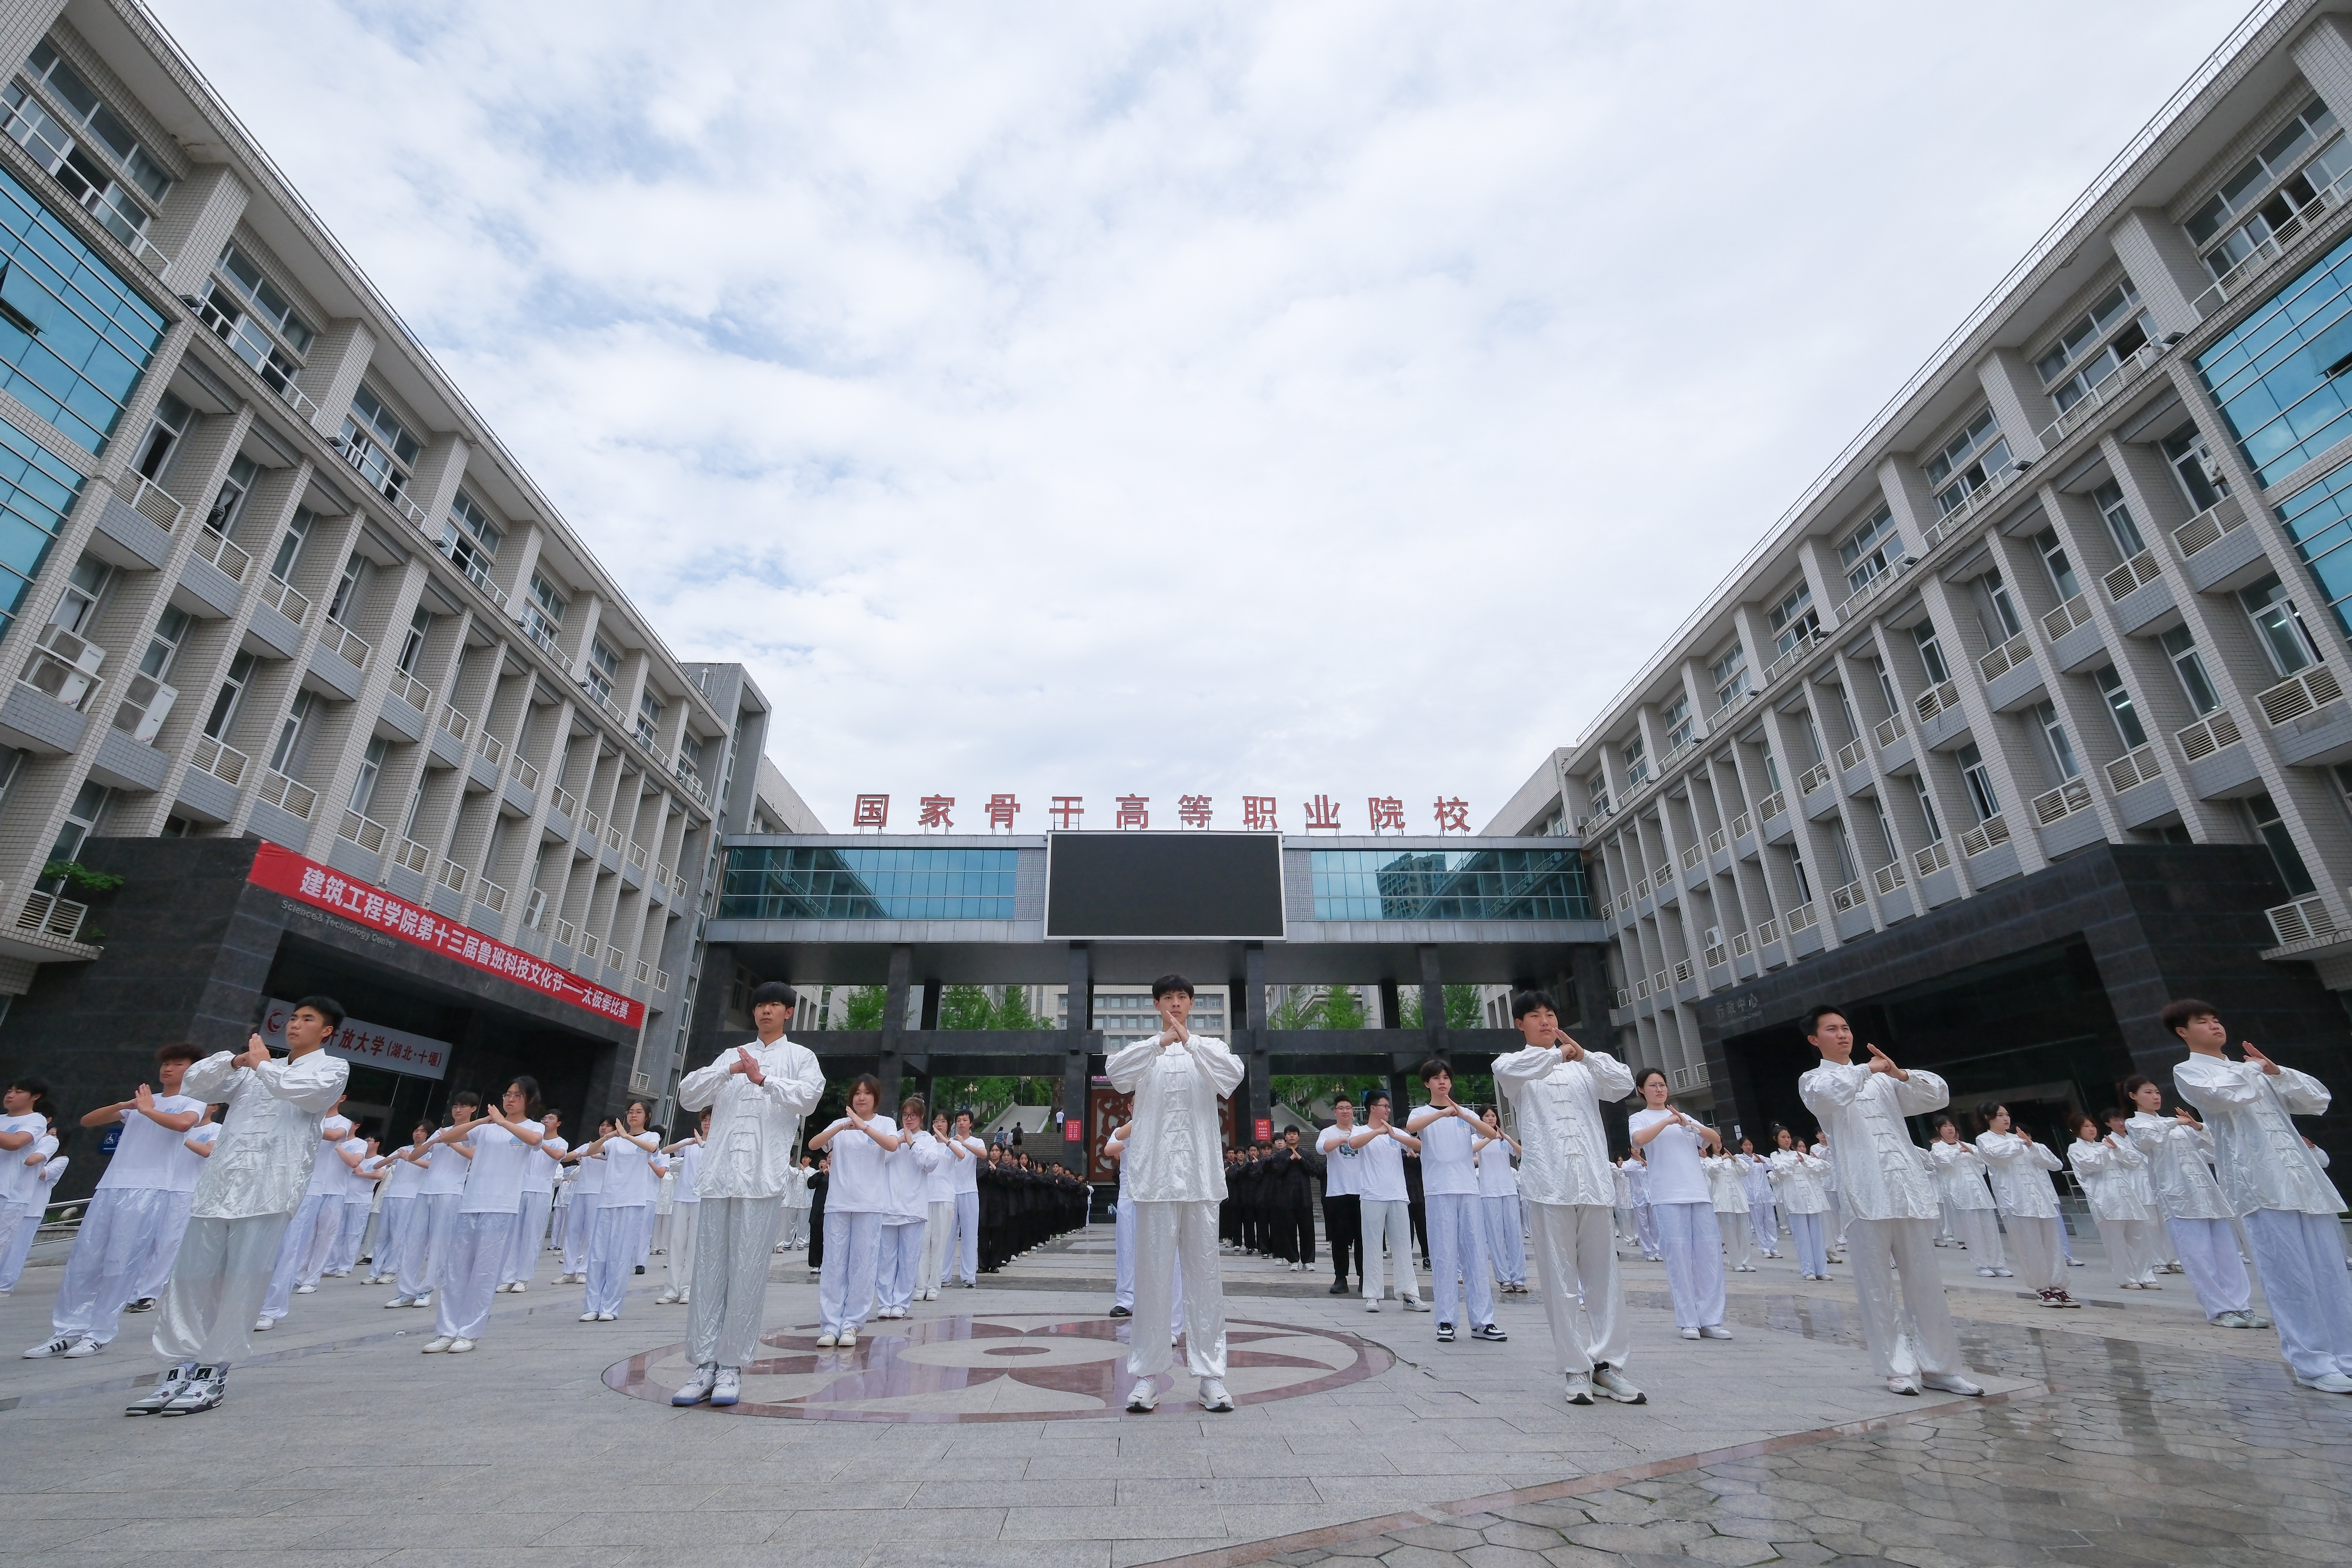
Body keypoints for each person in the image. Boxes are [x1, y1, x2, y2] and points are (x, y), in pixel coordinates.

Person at [134, 998, 350, 1414]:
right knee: (191, 1277)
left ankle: (213, 1370)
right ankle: (179, 1367)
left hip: (270, 1189)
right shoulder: (253, 1068)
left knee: (242, 1280)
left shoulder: (331, 1068)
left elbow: (301, 1094)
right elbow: (197, 1084)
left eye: (308, 1020)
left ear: (326, 1032)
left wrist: (262, 1065)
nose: (295, 1025)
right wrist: (237, 1061)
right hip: (220, 1186)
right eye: (293, 1018)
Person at [2166, 999, 2352, 1392]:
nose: (2215, 1026)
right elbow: (2224, 1097)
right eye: (2203, 1022)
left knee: (2332, 1271)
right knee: (2290, 1275)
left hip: (2303, 1180)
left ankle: (2346, 1356)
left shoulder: (2251, 1068)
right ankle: (2313, 1364)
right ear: (2183, 1032)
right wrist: (2253, 1071)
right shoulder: (2189, 1071)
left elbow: (2315, 1100)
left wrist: (2277, 1071)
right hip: (2260, 1184)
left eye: (2216, 1019)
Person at [1796, 1006, 1983, 1397]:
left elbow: (1935, 1095)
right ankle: (1896, 1366)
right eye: (1832, 1030)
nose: (1843, 1034)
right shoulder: (1814, 1080)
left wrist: (1898, 1073)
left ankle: (1940, 1367)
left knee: (1927, 1283)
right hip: (1865, 1193)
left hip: (1907, 1189)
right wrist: (1867, 1069)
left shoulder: (1884, 1080)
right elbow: (1833, 1095)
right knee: (1876, 1285)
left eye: (1846, 1028)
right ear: (1815, 1039)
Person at [1493, 990, 1643, 1405]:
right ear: (1520, 1024)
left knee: (1603, 1279)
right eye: (1535, 1016)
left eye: (1551, 1013)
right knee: (1560, 1281)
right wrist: (1559, 1056)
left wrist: (1585, 1055)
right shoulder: (1514, 1066)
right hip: (1549, 1183)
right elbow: (1515, 1069)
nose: (1545, 1021)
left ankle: (1608, 1367)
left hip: (1593, 1180)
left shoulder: (1583, 1067)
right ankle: (1575, 1369)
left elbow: (1622, 1084)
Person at [1107, 974, 1245, 1414]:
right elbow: (1116, 1074)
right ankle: (1148, 1376)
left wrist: (1190, 1041)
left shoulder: (1210, 1050)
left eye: (1182, 998)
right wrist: (1162, 1041)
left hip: (1201, 1180)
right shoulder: (1146, 1054)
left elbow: (1232, 1077)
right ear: (1157, 1005)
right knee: (1152, 1279)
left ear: (1192, 1003)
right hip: (1156, 1182)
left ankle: (1211, 1377)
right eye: (1168, 999)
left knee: (1205, 1278)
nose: (1176, 1004)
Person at [27, 1046, 207, 1359]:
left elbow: (183, 1125)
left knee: (122, 1261)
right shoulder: (141, 1103)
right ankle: (67, 1330)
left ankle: (99, 1332)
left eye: (178, 1064)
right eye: (166, 1063)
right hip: (110, 1186)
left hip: (149, 1190)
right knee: (85, 1259)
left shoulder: (192, 1100)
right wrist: (129, 1105)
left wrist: (148, 1110)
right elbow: (88, 1121)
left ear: (191, 1071)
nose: (168, 1069)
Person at [2124, 1074, 2261, 1328]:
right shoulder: (2136, 1124)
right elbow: (2148, 1141)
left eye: (2157, 1092)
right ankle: (2220, 1309)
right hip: (2179, 1199)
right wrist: (2175, 1124)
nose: (2155, 1097)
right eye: (2148, 1092)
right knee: (2199, 1256)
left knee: (2227, 1254)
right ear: (2134, 1097)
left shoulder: (2176, 1123)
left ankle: (2243, 1306)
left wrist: (2196, 1125)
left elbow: (2211, 1147)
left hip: (2208, 1195)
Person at [425, 1077, 547, 1353]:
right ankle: (446, 1331)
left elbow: (535, 1140)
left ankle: (469, 1332)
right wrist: (483, 1121)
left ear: (529, 1100)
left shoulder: (532, 1127)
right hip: (471, 1204)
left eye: (517, 1095)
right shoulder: (486, 1128)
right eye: (507, 1094)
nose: (510, 1099)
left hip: (501, 1207)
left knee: (485, 1272)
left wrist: (503, 1122)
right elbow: (448, 1136)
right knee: (456, 1271)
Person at [1407, 1059, 1507, 1346]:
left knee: (1476, 1253)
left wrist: (1462, 1114)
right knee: (1444, 1255)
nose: (1442, 1082)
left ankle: (1483, 1322)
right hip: (1439, 1190)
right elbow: (1412, 1127)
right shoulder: (1422, 1112)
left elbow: (1491, 1134)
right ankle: (1446, 1321)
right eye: (1436, 1078)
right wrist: (1443, 1114)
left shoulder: (1465, 1115)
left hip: (1468, 1189)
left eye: (1446, 1078)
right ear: (1427, 1083)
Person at [1628, 1068, 1728, 1341]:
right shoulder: (1639, 1118)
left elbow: (1715, 1139)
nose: (1659, 1089)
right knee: (1679, 1259)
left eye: (1663, 1084)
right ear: (1641, 1090)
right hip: (1667, 1195)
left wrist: (1688, 1123)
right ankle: (1688, 1321)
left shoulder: (1685, 1117)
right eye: (1653, 1085)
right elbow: (1639, 1140)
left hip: (1698, 1193)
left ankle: (1711, 1319)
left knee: (1709, 1256)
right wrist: (1668, 1121)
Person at [807, 1074, 904, 1348]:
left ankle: (852, 1325)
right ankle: (830, 1326)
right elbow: (815, 1145)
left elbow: (893, 1145)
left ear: (875, 1097)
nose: (861, 1097)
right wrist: (841, 1128)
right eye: (857, 1093)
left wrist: (864, 1128)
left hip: (869, 1204)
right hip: (838, 1203)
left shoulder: (884, 1123)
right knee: (834, 1264)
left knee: (863, 1264)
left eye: (867, 1093)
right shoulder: (841, 1124)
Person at [255, 1096, 360, 1329]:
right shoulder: (297, 1113)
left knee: (290, 1248)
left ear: (341, 1097)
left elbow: (334, 1137)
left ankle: (271, 1309)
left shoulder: (340, 1122)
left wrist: (302, 1122)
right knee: (267, 1246)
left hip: (310, 1189)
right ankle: (253, 1302)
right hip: (279, 1184)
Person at [1975, 1102, 2076, 1309]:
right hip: (2016, 1202)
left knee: (2052, 1245)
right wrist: (2021, 1144)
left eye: (2007, 1115)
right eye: (2000, 1115)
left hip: (2040, 1199)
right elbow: (1998, 1158)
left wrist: (2030, 1145)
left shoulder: (2021, 1140)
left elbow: (2055, 1164)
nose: (2006, 1119)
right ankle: (2042, 1288)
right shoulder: (1984, 1140)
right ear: (1988, 1118)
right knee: (2029, 1246)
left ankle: (2059, 1286)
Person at [1350, 1090, 1423, 1312]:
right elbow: (1353, 1144)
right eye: (1384, 1106)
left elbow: (1418, 1145)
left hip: (1398, 1195)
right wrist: (1379, 1131)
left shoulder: (1394, 1133)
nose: (1388, 1110)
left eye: (1389, 1107)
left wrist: (1394, 1134)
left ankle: (1409, 1294)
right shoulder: (1361, 1130)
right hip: (1372, 1195)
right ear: (1373, 1108)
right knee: (1372, 1246)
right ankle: (1373, 1295)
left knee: (1403, 1247)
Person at [2069, 1111, 2158, 1291]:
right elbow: (2091, 1165)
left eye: (2093, 1125)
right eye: (2086, 1126)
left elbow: (2134, 1162)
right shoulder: (2076, 1149)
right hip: (2105, 1199)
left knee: (2139, 1238)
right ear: (2077, 1130)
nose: (2091, 1129)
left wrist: (2116, 1148)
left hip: (2126, 1196)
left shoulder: (2108, 1144)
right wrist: (2105, 1149)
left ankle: (2146, 1276)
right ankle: (2126, 1277)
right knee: (2115, 1242)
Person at [876, 1096, 940, 1319]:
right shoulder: (891, 1138)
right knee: (885, 1259)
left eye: (913, 1115)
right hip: (888, 1207)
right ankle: (884, 1302)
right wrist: (898, 1142)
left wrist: (911, 1143)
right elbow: (878, 1160)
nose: (909, 1119)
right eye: (905, 1115)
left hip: (913, 1209)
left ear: (921, 1117)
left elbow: (930, 1163)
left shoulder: (928, 1140)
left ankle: (902, 1302)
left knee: (909, 1258)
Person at [1927, 1115, 2006, 1277]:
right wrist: (1958, 1152)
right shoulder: (1938, 1148)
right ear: (1939, 1130)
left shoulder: (1969, 1145)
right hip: (1962, 1194)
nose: (1950, 1129)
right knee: (1974, 1231)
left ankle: (1998, 1264)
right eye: (1945, 1126)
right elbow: (1943, 1164)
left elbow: (1983, 1167)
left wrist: (1972, 1153)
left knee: (1990, 1229)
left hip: (1981, 1193)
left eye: (1952, 1125)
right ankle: (1981, 1265)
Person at [505, 1108, 566, 1293]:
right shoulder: (528, 1138)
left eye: (551, 1118)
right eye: (544, 1118)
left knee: (532, 1236)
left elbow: (558, 1156)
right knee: (514, 1235)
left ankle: (523, 1278)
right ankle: (508, 1277)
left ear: (559, 1123)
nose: (546, 1121)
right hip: (520, 1189)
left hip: (541, 1191)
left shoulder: (560, 1142)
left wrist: (539, 1143)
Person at [1473, 1110, 1528, 1294]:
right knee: (1496, 1237)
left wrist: (1505, 1137)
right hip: (1489, 1192)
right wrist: (1491, 1136)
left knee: (1515, 1236)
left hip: (1509, 1191)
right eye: (1487, 1116)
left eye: (1493, 1116)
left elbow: (1521, 1153)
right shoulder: (1476, 1138)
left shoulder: (1503, 1140)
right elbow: (1473, 1151)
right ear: (1481, 1119)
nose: (1491, 1119)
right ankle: (1503, 1278)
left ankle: (1519, 1278)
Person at [655, 1113, 707, 1306]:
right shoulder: (690, 1143)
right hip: (682, 1197)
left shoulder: (718, 1143)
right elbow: (665, 1151)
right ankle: (671, 1290)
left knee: (694, 1246)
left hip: (702, 1199)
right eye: (704, 1121)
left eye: (711, 1120)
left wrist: (703, 1144)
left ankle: (688, 1289)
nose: (707, 1124)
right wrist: (688, 1143)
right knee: (676, 1243)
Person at [1767, 1126, 1832, 1279]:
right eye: (1783, 1137)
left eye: (1789, 1137)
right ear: (1776, 1139)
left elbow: (1824, 1168)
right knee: (1802, 1237)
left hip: (1811, 1199)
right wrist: (1796, 1160)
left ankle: (1822, 1270)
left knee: (1817, 1236)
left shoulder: (1802, 1155)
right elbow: (1781, 1171)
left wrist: (1805, 1161)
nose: (1787, 1140)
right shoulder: (1776, 1156)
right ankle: (1808, 1270)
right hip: (1795, 1200)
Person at [1317, 1096, 1365, 1295]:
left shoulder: (1363, 1131)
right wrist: (1345, 1139)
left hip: (1362, 1192)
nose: (1345, 1111)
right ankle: (1341, 1278)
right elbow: (1323, 1148)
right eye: (1341, 1108)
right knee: (1339, 1238)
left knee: (1364, 1239)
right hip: (1338, 1192)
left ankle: (1365, 1278)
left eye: (1348, 1108)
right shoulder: (1328, 1132)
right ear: (1335, 1112)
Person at [916, 1109, 958, 1300]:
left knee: (940, 1244)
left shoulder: (953, 1144)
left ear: (949, 1124)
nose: (939, 1124)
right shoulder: (927, 1143)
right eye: (936, 1121)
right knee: (923, 1243)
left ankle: (934, 1286)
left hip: (945, 1197)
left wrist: (945, 1139)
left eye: (943, 1121)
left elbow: (963, 1155)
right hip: (925, 1197)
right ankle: (920, 1286)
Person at [947, 1110, 985, 1286]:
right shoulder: (948, 1142)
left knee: (970, 1236)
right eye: (959, 1120)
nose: (961, 1123)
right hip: (950, 1193)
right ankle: (943, 1275)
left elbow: (984, 1155)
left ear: (971, 1123)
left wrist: (964, 1143)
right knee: (947, 1237)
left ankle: (969, 1275)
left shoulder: (977, 1141)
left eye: (965, 1120)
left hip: (969, 1192)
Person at [1704, 1146, 1754, 1273]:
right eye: (1715, 1143)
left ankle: (1746, 1261)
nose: (1718, 1145)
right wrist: (1722, 1159)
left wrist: (1734, 1160)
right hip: (1723, 1200)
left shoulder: (1733, 1159)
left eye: (1720, 1142)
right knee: (1729, 1233)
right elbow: (1711, 1171)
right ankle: (1736, 1262)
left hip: (1739, 1199)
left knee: (1744, 1232)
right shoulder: (1708, 1161)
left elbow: (1745, 1171)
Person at [1735, 1137, 1781, 1259]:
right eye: (1746, 1145)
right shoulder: (1740, 1158)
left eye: (1750, 1144)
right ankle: (1765, 1248)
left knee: (1770, 1222)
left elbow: (1773, 1165)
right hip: (1753, 1195)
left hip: (1765, 1194)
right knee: (1758, 1223)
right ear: (1741, 1147)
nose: (1749, 1147)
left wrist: (1762, 1162)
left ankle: (1773, 1248)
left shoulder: (1760, 1157)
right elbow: (1739, 1168)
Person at [1622, 1153, 1661, 1260]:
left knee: (1654, 1225)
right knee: (1643, 1226)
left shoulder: (1646, 1162)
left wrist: (1646, 1164)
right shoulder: (1629, 1163)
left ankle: (1657, 1250)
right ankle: (1648, 1252)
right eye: (1634, 1148)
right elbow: (1625, 1170)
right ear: (1629, 1150)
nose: (1637, 1151)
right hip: (1639, 1198)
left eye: (1638, 1149)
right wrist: (1640, 1164)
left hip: (1650, 1197)